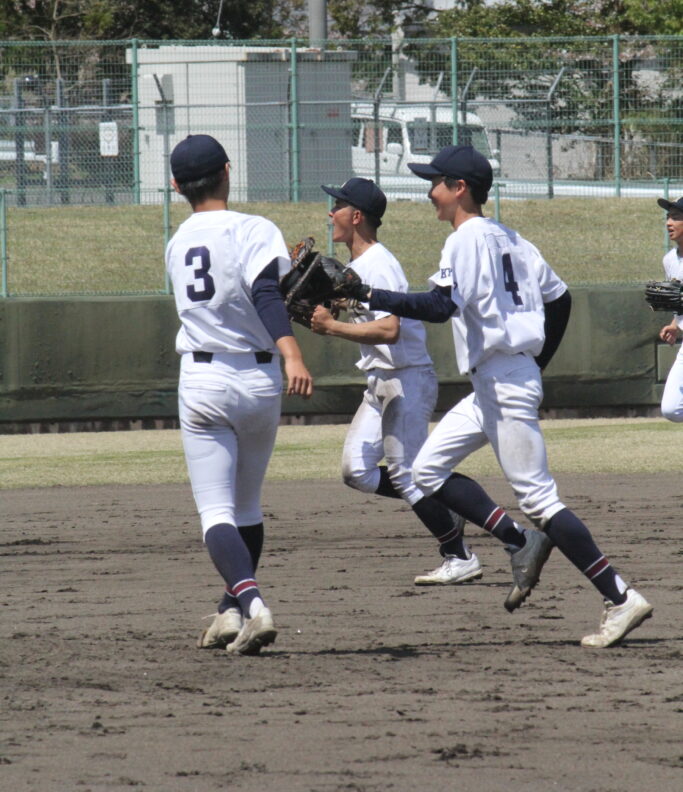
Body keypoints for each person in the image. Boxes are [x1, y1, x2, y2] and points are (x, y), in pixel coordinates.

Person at [345, 145, 653, 648]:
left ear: (460, 188)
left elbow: (439, 306)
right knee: (425, 471)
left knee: (539, 499)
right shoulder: (514, 239)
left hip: (504, 381)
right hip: (498, 380)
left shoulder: (464, 239)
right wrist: (536, 363)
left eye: (436, 182)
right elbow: (560, 298)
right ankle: (522, 542)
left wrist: (367, 294)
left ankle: (619, 597)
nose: (430, 191)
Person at [165, 134, 313, 656]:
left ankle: (250, 605)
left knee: (216, 512)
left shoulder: (177, 242)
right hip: (258, 379)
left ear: (176, 185)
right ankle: (232, 610)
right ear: (228, 171)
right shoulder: (254, 228)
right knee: (246, 507)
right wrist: (292, 353)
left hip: (202, 380)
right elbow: (267, 291)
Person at [309, 177, 482, 586]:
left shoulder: (379, 263)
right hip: (380, 382)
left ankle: (458, 554)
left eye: (337, 206)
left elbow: (390, 330)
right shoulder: (355, 267)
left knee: (407, 474)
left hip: (406, 380)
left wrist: (332, 327)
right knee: (357, 471)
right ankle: (443, 503)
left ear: (356, 216)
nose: (330, 213)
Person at [655, 195, 683, 422]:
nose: (669, 223)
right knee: (671, 408)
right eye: (668, 217)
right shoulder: (670, 260)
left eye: (675, 217)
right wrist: (675, 325)